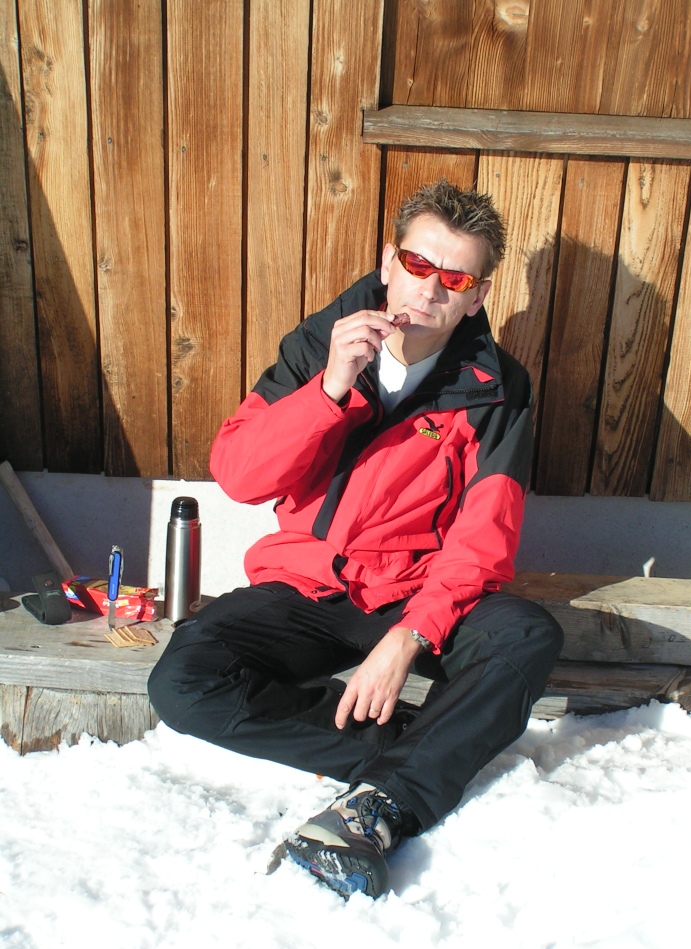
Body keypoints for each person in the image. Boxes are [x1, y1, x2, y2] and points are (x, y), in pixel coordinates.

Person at [147, 179, 564, 900]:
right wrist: (330, 388)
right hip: (307, 586)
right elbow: (239, 476)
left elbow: (483, 539)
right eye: (419, 264)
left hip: (415, 594)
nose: (429, 289)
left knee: (526, 634)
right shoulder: (319, 345)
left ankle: (382, 804)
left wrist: (407, 639)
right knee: (183, 680)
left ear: (478, 296)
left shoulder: (499, 388)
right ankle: (419, 758)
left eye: (455, 278)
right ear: (389, 261)